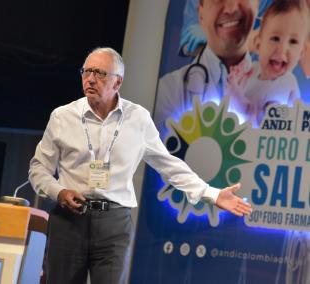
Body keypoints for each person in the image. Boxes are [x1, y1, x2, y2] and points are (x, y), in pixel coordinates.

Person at [28, 47, 252, 284]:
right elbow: (38, 169)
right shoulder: (62, 116)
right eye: (86, 71)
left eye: (99, 73)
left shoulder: (138, 118)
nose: (90, 79)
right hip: (69, 221)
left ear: (118, 82)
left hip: (113, 224)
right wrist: (59, 192)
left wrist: (212, 194)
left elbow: (168, 164)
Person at [155, 0, 259, 131]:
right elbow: (188, 43)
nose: (231, 8)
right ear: (200, 14)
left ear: (258, 5)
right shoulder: (166, 94)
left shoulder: (280, 93)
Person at [226, 0, 308, 126]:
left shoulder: (285, 83)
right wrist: (235, 86)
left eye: (293, 41)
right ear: (258, 44)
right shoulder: (251, 71)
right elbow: (233, 114)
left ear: (301, 53)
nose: (282, 49)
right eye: (275, 38)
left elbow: (257, 120)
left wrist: (235, 94)